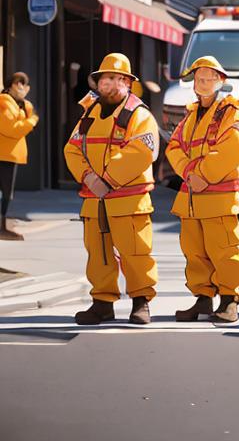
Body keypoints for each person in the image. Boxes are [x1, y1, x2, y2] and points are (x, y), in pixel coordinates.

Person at [63, 54, 160, 325]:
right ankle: (102, 303)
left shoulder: (139, 115)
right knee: (98, 253)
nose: (112, 85)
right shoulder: (89, 114)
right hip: (95, 199)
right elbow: (72, 148)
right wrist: (87, 176)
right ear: (99, 83)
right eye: (107, 79)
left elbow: (141, 151)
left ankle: (141, 303)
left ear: (128, 83)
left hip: (128, 199)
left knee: (135, 252)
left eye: (119, 79)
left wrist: (105, 179)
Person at [166, 57, 239, 324]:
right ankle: (203, 299)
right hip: (192, 195)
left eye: (208, 78)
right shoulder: (191, 115)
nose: (202, 83)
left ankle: (229, 299)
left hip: (218, 196)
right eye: (199, 79)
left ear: (220, 81)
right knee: (194, 252)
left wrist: (200, 174)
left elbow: (235, 149)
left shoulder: (231, 113)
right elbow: (174, 147)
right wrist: (190, 174)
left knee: (224, 250)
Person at [0, 72, 38, 240]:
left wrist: (26, 107)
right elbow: (11, 129)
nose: (22, 87)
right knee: (5, 193)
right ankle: (2, 228)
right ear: (11, 85)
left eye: (24, 84)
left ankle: (3, 227)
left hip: (9, 154)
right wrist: (32, 121)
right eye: (18, 84)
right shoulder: (4, 102)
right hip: (3, 154)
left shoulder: (18, 104)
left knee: (6, 193)